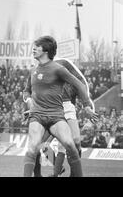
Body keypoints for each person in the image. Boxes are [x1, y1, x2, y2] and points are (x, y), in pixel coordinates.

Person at [22, 36, 97, 177]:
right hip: (41, 111)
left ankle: (69, 173)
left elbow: (80, 82)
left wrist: (87, 105)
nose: (33, 48)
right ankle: (53, 171)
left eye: (37, 46)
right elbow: (29, 91)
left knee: (74, 142)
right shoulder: (34, 70)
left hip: (64, 107)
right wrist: (30, 103)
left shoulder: (62, 64)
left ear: (46, 50)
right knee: (38, 146)